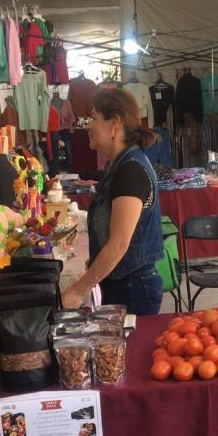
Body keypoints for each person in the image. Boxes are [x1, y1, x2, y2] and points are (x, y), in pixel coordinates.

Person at [62, 89, 164, 315]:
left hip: (133, 289)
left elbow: (119, 244)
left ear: (115, 123)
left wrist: (79, 290)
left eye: (94, 118)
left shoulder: (130, 170)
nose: (88, 126)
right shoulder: (119, 165)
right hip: (122, 284)